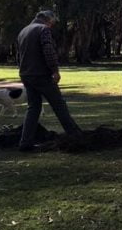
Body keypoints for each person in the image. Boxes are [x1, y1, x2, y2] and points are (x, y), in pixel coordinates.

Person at [17, 10, 81, 150]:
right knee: (58, 104)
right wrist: (54, 70)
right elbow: (48, 50)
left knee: (33, 107)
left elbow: (20, 55)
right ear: (47, 20)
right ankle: (75, 135)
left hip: (26, 74)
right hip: (41, 74)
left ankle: (25, 142)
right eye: (52, 23)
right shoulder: (43, 29)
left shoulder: (23, 31)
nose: (52, 26)